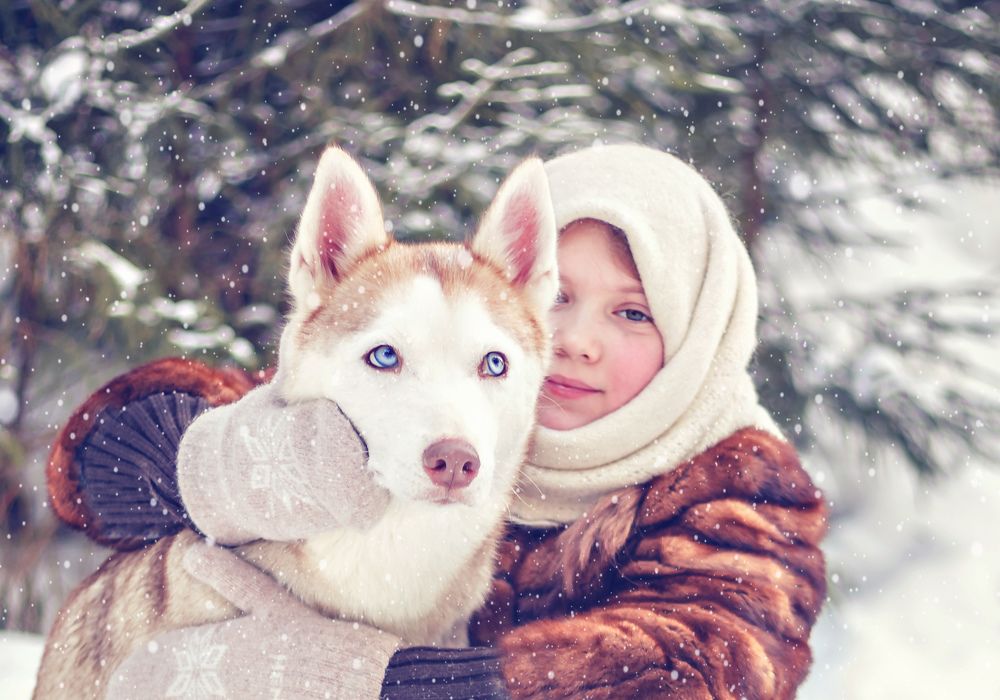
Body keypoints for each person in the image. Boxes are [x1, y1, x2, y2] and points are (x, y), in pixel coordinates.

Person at [48, 144, 828, 699]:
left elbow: (705, 670)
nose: (576, 341)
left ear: (696, 337)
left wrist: (382, 684)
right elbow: (93, 472)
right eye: (558, 300)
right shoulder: (387, 399)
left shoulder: (740, 504)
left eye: (632, 312)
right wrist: (213, 465)